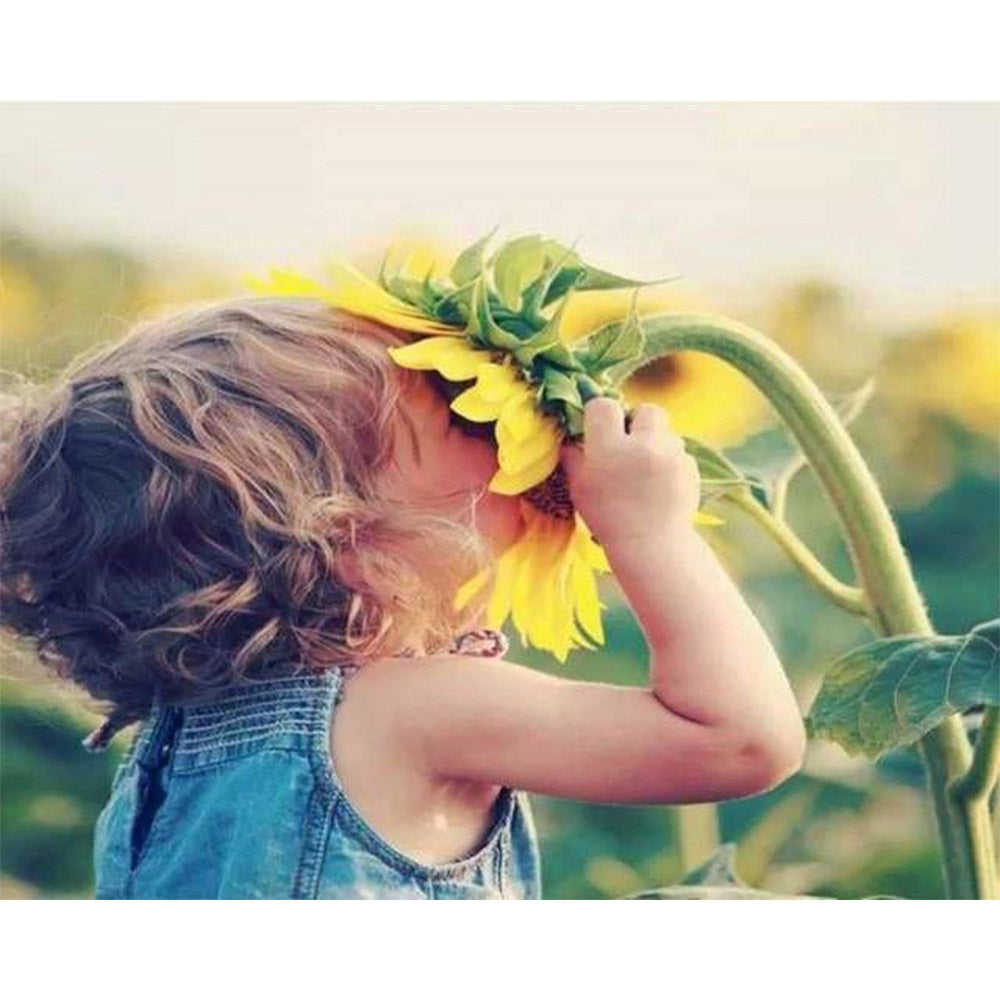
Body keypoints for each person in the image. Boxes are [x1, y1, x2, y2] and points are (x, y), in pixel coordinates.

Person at [0, 298, 806, 898]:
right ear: (351, 542)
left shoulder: (180, 742)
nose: (504, 438)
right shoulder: (409, 711)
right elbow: (740, 740)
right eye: (462, 421)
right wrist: (649, 530)